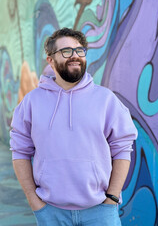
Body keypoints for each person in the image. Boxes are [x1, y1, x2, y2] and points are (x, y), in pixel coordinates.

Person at [10, 28, 138, 226]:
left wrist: (111, 198)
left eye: (79, 50)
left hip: (100, 211)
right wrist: (33, 200)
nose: (75, 56)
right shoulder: (31, 103)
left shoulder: (106, 100)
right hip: (50, 211)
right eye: (66, 51)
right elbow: (20, 152)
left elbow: (122, 150)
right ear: (50, 60)